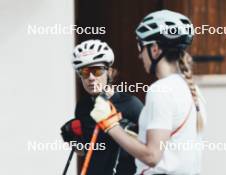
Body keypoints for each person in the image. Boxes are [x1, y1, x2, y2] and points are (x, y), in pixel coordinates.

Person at [89, 10, 207, 175]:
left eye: (140, 46)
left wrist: (110, 125)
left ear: (155, 49)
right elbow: (169, 146)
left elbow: (152, 156)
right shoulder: (191, 90)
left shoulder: (160, 90)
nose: (139, 55)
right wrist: (128, 132)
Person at [61, 39, 143, 175]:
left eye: (97, 71)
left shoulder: (131, 104)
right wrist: (73, 140)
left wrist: (126, 133)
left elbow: (151, 152)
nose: (91, 78)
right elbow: (87, 151)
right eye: (85, 72)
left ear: (109, 72)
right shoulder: (83, 106)